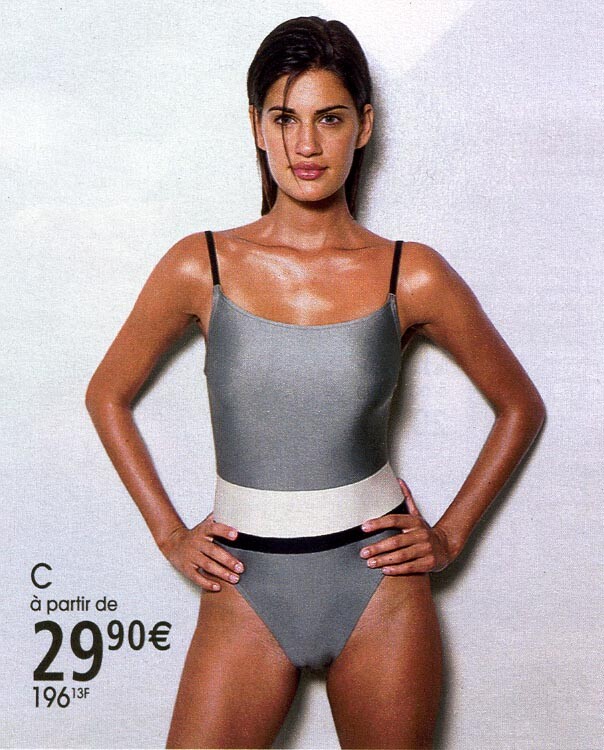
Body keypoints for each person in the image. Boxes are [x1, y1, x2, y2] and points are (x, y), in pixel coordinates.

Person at [85, 15, 545, 750]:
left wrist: (451, 535)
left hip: (379, 592)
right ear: (256, 126)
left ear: (364, 126)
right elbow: (106, 394)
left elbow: (519, 406)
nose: (306, 145)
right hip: (244, 585)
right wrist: (169, 534)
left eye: (329, 118)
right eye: (284, 118)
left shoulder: (411, 274)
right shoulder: (200, 265)